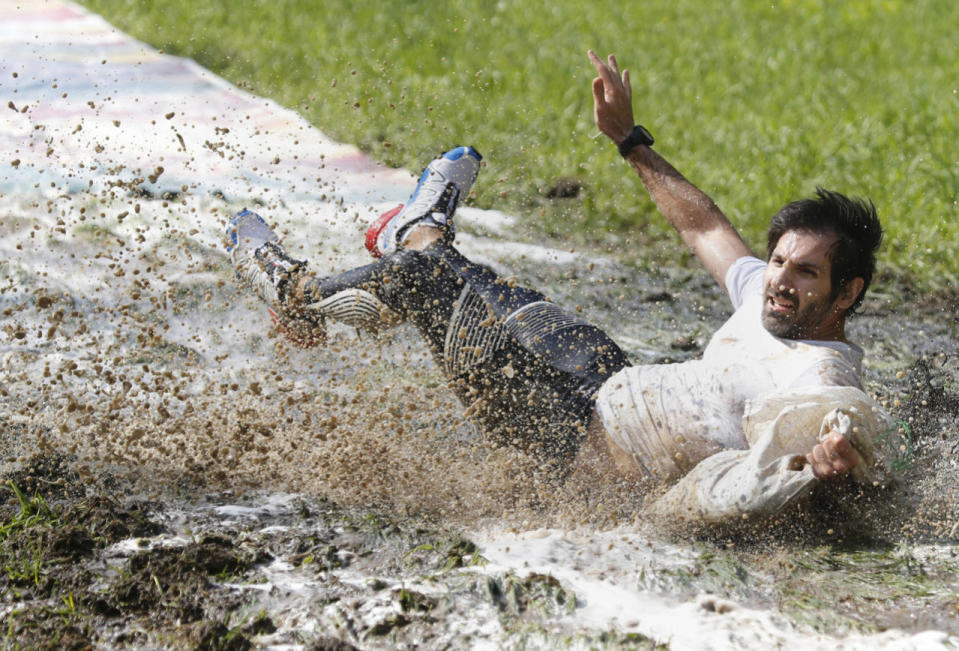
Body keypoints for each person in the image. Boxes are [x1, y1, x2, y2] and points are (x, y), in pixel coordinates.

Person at [225, 52, 891, 525]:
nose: (779, 280)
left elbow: (839, 426)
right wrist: (629, 139)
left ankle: (299, 300)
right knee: (485, 286)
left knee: (429, 287)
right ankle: (419, 230)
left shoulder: (819, 371)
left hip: (573, 447)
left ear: (845, 293)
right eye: (778, 261)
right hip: (604, 380)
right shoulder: (766, 297)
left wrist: (837, 457)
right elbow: (702, 223)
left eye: (805, 273)